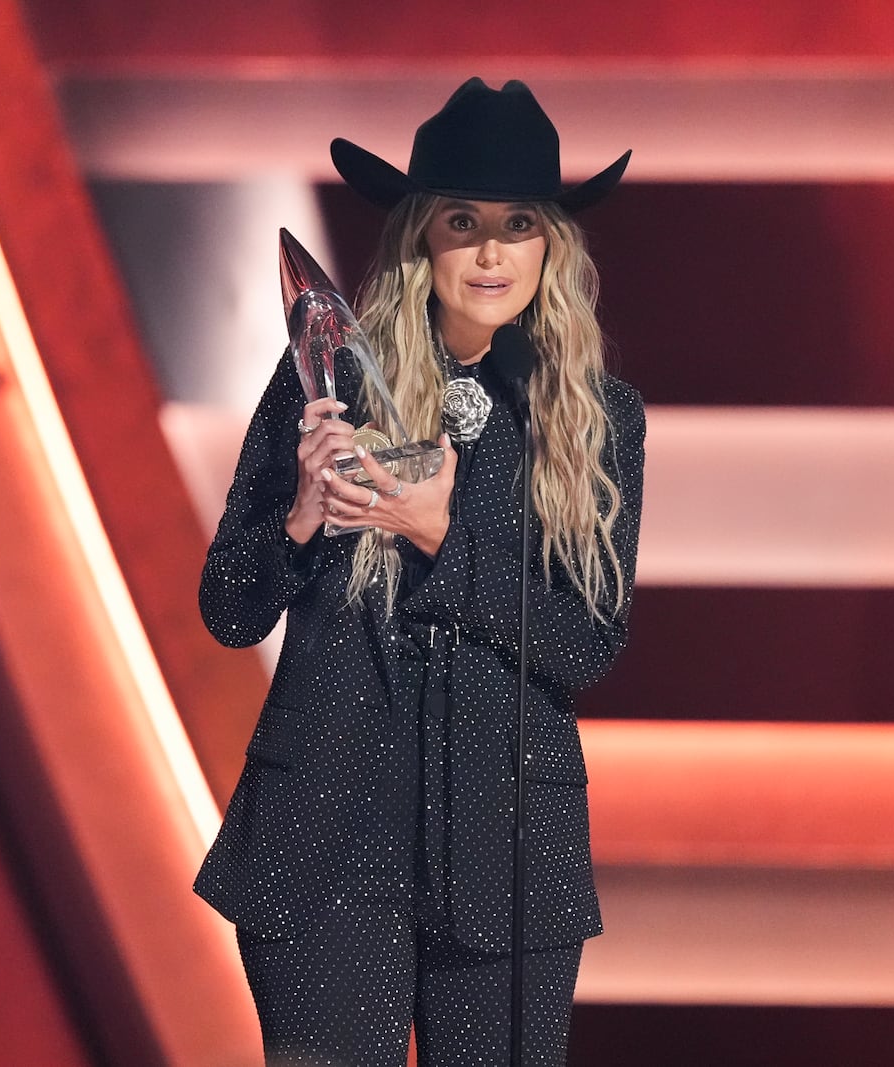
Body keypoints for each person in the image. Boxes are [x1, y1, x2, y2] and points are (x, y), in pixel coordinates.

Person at [194, 77, 645, 1067]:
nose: (489, 251)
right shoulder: (330, 380)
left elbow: (588, 641)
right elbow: (228, 607)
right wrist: (303, 519)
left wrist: (440, 533)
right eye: (461, 220)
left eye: (517, 223)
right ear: (418, 235)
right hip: (322, 841)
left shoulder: (595, 416)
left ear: (549, 246)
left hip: (508, 849)